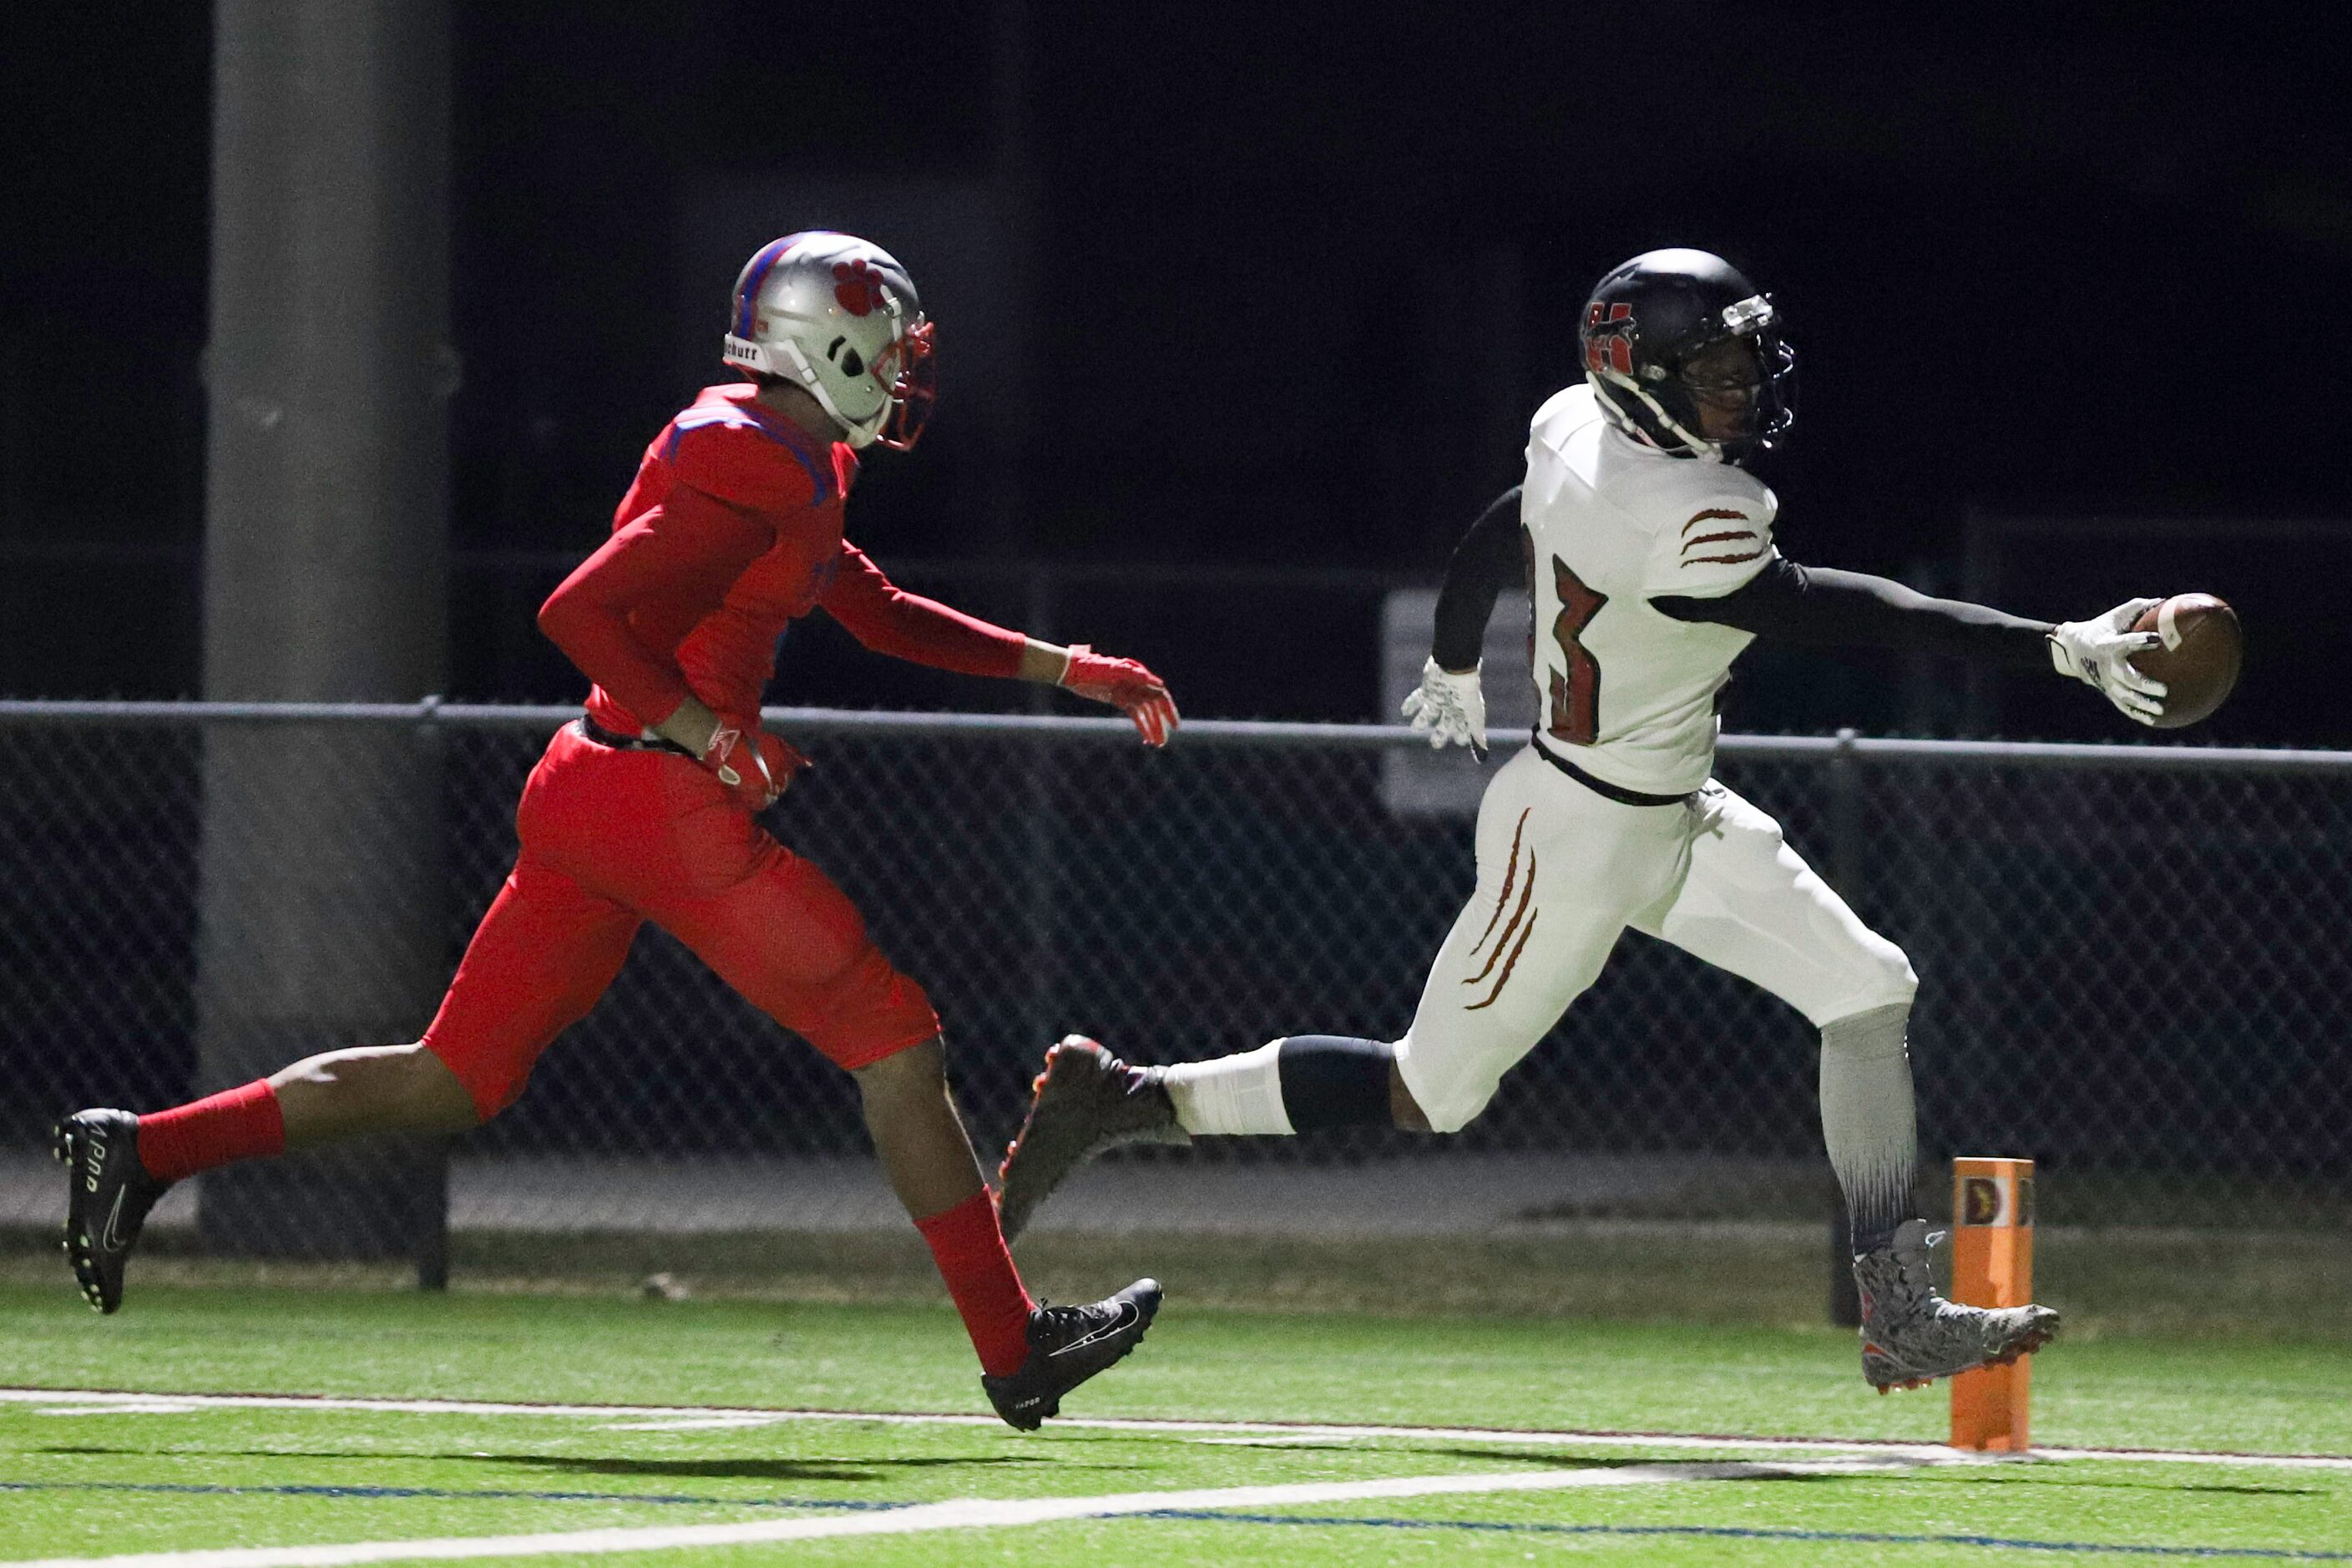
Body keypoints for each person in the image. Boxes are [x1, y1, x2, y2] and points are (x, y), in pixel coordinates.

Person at [996, 247, 2172, 1393]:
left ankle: (1897, 1312)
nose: (1744, 389)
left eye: (1744, 362)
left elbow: (1505, 517)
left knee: (1868, 988)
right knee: (1429, 1091)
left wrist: (1457, 657)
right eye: (1715, 369)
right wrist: (2053, 646)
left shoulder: (1575, 423)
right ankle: (1134, 1096)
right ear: (1643, 383)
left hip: (1670, 809)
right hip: (1571, 833)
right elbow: (1851, 613)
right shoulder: (1698, 512)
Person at [55, 230, 1177, 1431]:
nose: (905, 371)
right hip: (658, 797)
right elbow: (576, 610)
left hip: (597, 788)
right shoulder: (752, 459)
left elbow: (873, 607)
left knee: (452, 1080)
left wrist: (1073, 669)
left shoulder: (793, 455)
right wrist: (710, 734)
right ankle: (1013, 1350)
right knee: (897, 1042)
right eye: (892, 348)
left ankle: (140, 1150)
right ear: (832, 344)